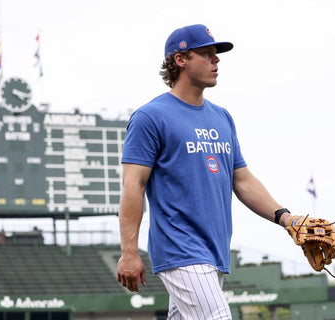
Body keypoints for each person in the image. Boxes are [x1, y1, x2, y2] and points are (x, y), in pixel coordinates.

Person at [116, 24, 294, 319]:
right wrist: (129, 251)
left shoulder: (222, 117)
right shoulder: (150, 116)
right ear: (180, 59)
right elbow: (132, 185)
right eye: (207, 53)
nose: (217, 60)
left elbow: (243, 180)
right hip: (180, 249)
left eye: (216, 54)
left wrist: (285, 217)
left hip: (215, 252)